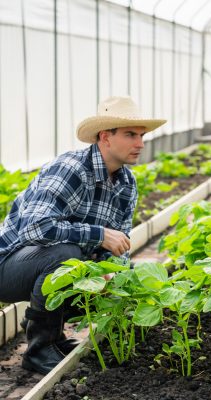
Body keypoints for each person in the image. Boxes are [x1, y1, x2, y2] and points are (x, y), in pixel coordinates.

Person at [0, 96, 166, 375]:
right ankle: (38, 350)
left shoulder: (127, 183)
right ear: (105, 137)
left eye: (141, 135)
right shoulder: (72, 169)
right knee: (67, 256)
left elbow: (118, 246)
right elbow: (34, 227)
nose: (140, 143)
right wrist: (98, 235)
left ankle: (50, 335)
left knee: (123, 273)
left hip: (41, 267)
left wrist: (112, 274)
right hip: (7, 268)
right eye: (130, 135)